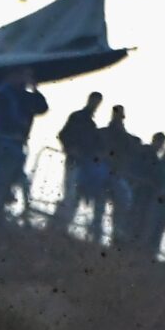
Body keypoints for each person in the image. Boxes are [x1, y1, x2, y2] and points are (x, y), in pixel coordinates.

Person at [0, 74, 48, 216]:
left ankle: (0, 209)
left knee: (13, 178)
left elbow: (42, 107)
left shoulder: (25, 96)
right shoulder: (4, 94)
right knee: (2, 176)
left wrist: (35, 90)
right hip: (5, 140)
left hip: (18, 143)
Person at [52, 93, 109, 239]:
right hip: (75, 161)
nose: (95, 104)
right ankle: (58, 226)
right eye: (95, 101)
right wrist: (70, 148)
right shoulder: (78, 118)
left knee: (73, 196)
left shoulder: (90, 124)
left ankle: (61, 227)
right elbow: (63, 134)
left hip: (84, 165)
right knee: (70, 195)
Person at [94, 104, 139, 246]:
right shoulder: (105, 133)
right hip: (104, 171)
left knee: (121, 203)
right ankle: (97, 235)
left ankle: (115, 236)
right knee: (100, 205)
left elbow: (131, 151)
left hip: (116, 173)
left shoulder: (124, 137)